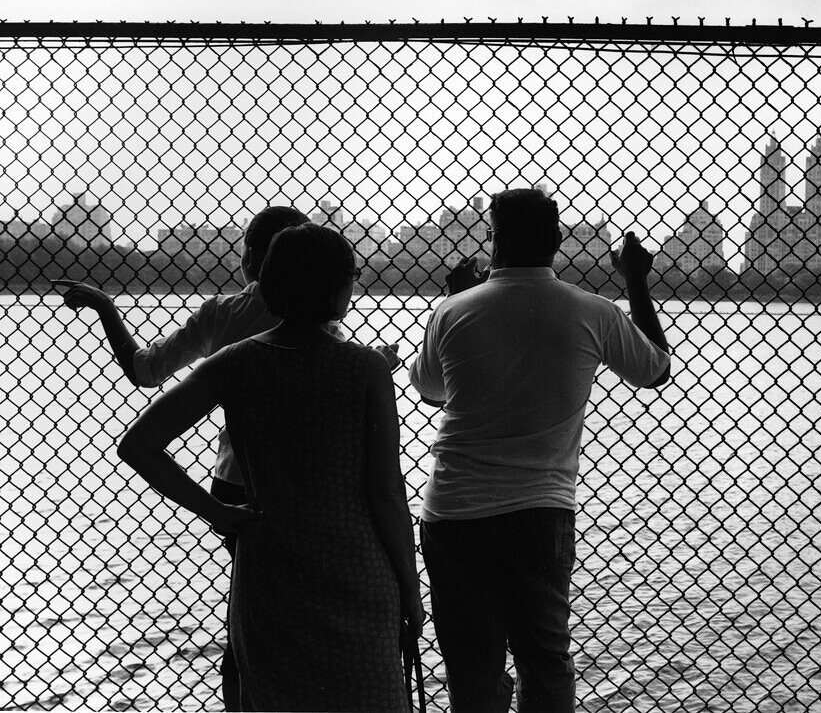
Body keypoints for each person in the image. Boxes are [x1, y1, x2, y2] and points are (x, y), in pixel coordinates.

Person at [54, 204, 398, 709]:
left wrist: (109, 308)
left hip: (238, 486)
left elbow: (145, 372)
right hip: (322, 493)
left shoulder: (223, 317)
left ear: (256, 259)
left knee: (256, 613)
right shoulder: (341, 343)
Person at [408, 188, 672, 713]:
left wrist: (453, 301)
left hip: (455, 510)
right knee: (545, 657)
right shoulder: (591, 311)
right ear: (556, 240)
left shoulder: (453, 310)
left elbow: (431, 389)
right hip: (540, 510)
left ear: (492, 239)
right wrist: (636, 282)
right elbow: (656, 370)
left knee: (471, 664)